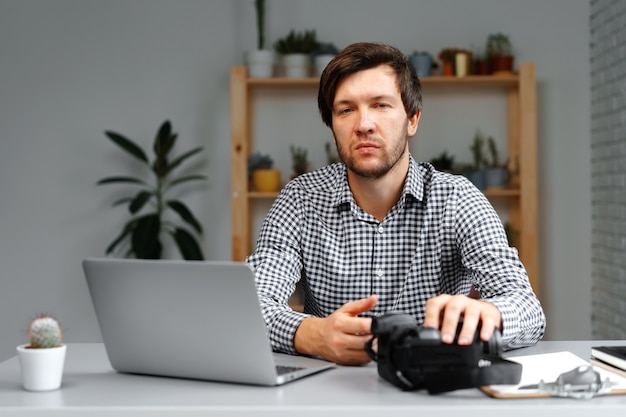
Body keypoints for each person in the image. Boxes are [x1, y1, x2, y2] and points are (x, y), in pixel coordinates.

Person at [246, 42, 546, 366]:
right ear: (333, 129)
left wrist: (490, 313)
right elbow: (250, 306)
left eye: (381, 105)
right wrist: (311, 334)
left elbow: (527, 309)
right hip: (329, 395)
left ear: (412, 120)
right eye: (346, 110)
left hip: (433, 392)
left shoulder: (458, 199)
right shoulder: (299, 201)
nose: (364, 124)